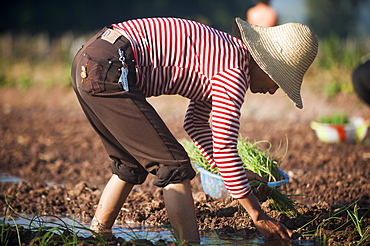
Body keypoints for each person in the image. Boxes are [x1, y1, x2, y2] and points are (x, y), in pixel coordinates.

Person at [71, 17, 318, 244]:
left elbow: (195, 123)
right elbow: (223, 148)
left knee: (130, 163)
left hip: (92, 59)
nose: (274, 90)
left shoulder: (223, 54)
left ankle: (99, 235)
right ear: (266, 66)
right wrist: (258, 215)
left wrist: (238, 173)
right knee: (174, 165)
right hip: (112, 66)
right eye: (279, 82)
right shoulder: (233, 75)